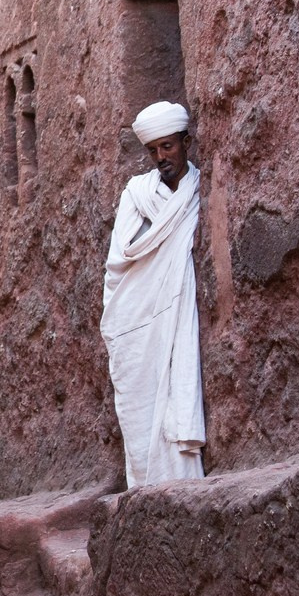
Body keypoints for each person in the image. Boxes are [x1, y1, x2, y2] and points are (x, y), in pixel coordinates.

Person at [101, 101, 206, 488]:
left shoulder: (196, 190)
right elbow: (121, 257)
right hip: (137, 316)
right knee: (139, 407)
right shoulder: (137, 193)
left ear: (185, 142)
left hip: (175, 310)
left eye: (168, 146)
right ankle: (147, 487)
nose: (161, 157)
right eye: (153, 150)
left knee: (171, 403)